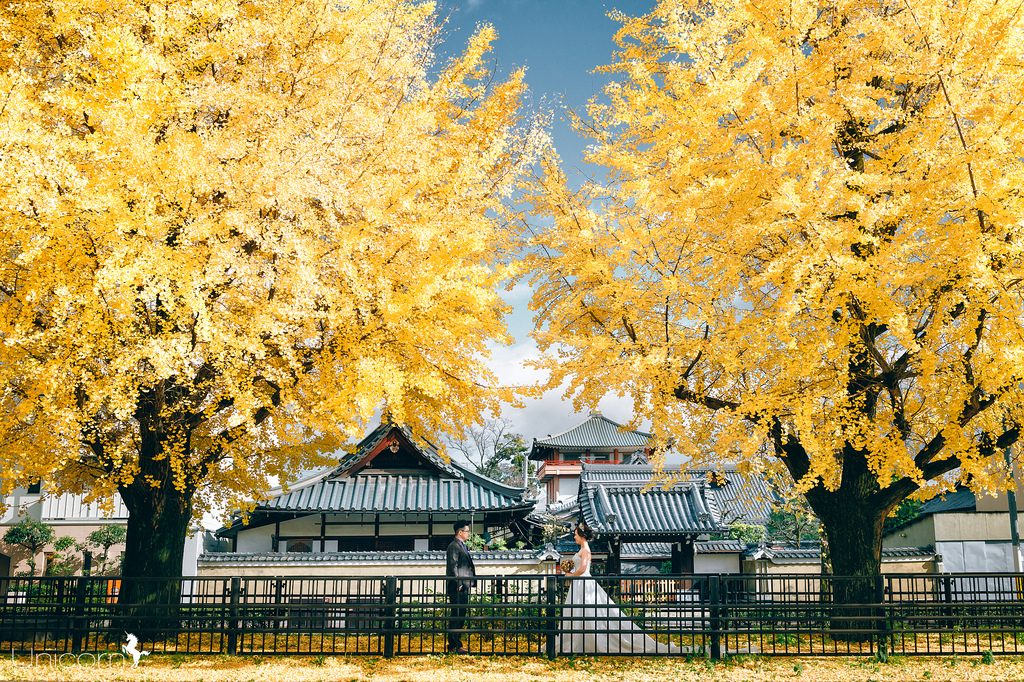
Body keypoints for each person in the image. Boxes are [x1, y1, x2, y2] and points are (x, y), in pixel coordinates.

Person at [560, 521, 686, 655]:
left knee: (588, 610)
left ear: (581, 535)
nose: (574, 537)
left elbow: (583, 568)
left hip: (583, 582)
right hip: (581, 583)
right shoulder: (582, 550)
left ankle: (585, 642)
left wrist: (571, 575)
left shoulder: (585, 550)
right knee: (583, 611)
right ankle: (582, 641)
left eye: (575, 535)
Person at [445, 519, 476, 653]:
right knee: (457, 615)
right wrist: (458, 583)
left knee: (460, 614)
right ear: (460, 532)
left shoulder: (461, 545)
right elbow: (453, 566)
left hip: (463, 585)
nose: (469, 534)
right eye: (467, 531)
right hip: (458, 586)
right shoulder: (454, 546)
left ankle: (456, 643)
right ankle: (453, 645)